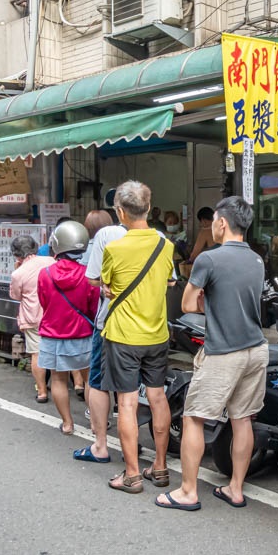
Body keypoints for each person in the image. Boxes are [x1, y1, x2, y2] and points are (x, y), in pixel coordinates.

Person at [155, 196, 266, 511]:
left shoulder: (209, 259)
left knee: (193, 419)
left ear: (222, 223)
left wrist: (204, 300)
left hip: (223, 352)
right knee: (242, 419)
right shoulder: (257, 260)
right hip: (256, 349)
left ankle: (188, 492)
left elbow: (188, 305)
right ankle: (235, 488)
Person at [95, 181, 174, 493]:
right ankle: (161, 467)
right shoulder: (165, 245)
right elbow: (169, 281)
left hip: (124, 336)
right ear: (149, 209)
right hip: (157, 333)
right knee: (157, 397)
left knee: (127, 403)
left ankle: (131, 475)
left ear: (119, 213)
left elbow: (107, 287)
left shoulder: (114, 248)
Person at [74, 217, 128, 465]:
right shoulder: (158, 239)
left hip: (109, 322)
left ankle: (100, 445)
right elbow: (170, 282)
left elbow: (92, 278)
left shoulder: (105, 236)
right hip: (146, 327)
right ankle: (137, 450)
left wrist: (107, 283)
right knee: (132, 389)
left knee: (98, 382)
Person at [37, 221, 99, 435]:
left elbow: (44, 302)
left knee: (58, 379)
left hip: (53, 334)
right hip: (83, 334)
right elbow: (93, 308)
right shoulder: (87, 276)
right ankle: (95, 423)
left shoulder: (45, 274)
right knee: (91, 379)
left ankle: (67, 423)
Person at [8, 235, 55, 403]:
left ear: (17, 255)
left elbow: (15, 295)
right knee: (59, 348)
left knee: (37, 353)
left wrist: (16, 269)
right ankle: (77, 384)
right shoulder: (50, 261)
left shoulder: (18, 273)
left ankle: (42, 391)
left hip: (33, 316)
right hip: (54, 313)